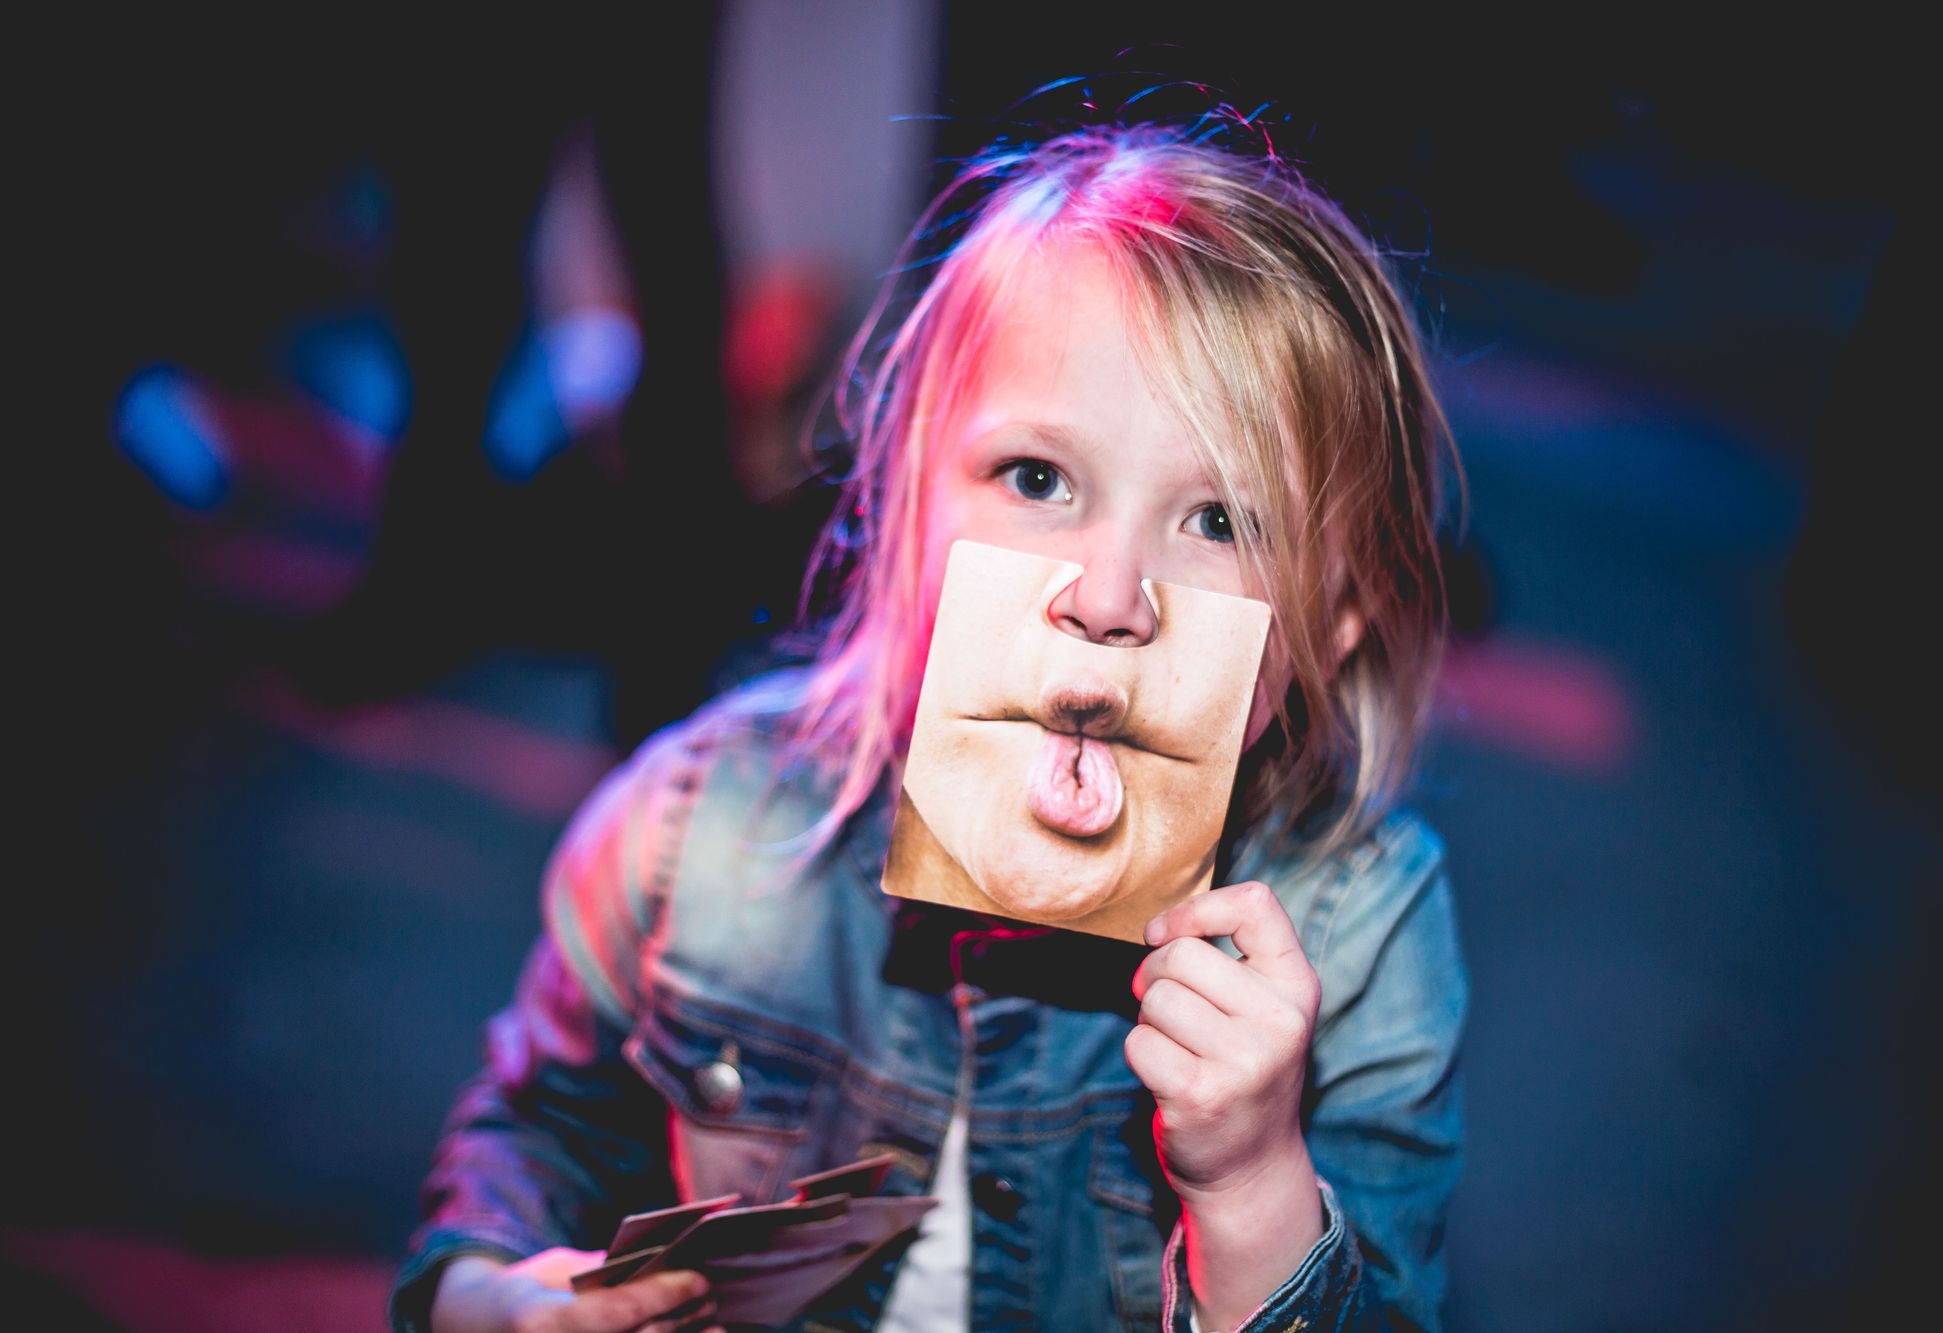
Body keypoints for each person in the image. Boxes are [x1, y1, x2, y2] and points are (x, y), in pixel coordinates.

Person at [392, 116, 1468, 1333]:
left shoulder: (1361, 931)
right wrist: (481, 1291)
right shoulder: (696, 824)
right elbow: (544, 1120)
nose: (1109, 597)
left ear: (1331, 622)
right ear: (898, 497)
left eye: (1220, 521)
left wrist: (1253, 1181)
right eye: (1035, 479)